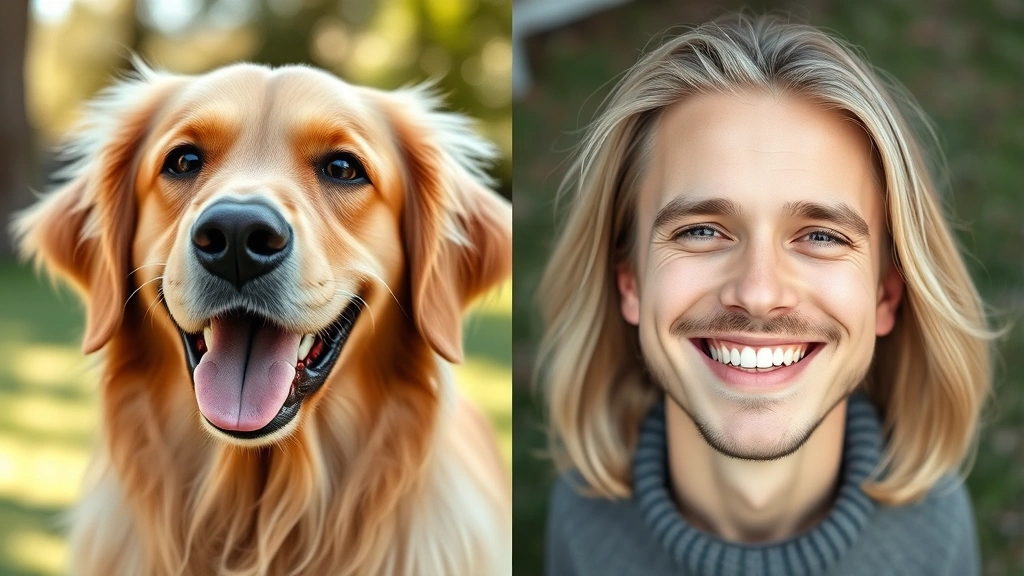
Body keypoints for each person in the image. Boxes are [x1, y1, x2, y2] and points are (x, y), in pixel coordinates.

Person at [536, 14, 992, 576]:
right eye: (701, 230)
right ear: (629, 281)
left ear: (886, 296)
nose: (757, 292)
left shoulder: (935, 532)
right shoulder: (582, 523)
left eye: (821, 236)